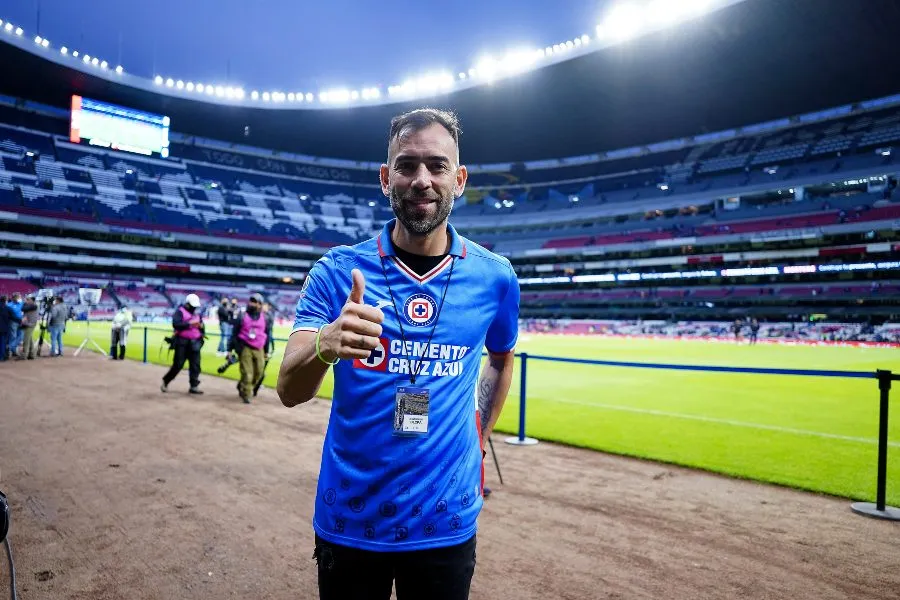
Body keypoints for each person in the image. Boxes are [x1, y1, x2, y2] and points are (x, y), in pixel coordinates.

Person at [276, 108, 519, 600]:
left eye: (437, 165)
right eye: (407, 166)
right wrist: (326, 344)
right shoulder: (337, 271)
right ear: (386, 178)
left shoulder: (496, 278)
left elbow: (500, 357)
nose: (422, 180)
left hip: (445, 521)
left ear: (460, 178)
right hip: (351, 517)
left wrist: (479, 435)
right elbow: (287, 390)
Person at [160, 293, 204, 394]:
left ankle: (194, 386)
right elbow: (176, 324)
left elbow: (202, 326)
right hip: (182, 343)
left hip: (195, 343)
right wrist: (189, 324)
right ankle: (166, 381)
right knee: (178, 365)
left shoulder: (197, 315)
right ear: (188, 304)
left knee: (195, 366)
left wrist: (201, 329)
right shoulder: (180, 312)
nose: (194, 308)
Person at [229, 293, 268, 404]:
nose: (252, 304)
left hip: (259, 347)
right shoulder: (242, 316)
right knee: (247, 373)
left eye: (255, 302)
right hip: (245, 346)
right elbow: (234, 334)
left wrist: (267, 350)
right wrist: (231, 350)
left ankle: (242, 385)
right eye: (251, 301)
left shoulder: (265, 317)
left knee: (259, 373)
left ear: (260, 305)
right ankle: (247, 394)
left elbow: (267, 334)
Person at [18, 295, 38, 360]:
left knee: (26, 340)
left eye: (28, 299)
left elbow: (23, 309)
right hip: (29, 324)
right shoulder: (30, 305)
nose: (27, 301)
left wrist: (24, 303)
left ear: (32, 300)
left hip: (30, 324)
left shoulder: (34, 306)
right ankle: (31, 354)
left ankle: (24, 355)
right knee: (30, 340)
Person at [7, 293, 23, 358]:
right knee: (13, 336)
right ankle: (13, 351)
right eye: (18, 297)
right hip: (13, 322)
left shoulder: (22, 303)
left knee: (20, 336)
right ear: (13, 298)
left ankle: (11, 348)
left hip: (21, 322)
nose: (19, 298)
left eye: (19, 297)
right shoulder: (9, 305)